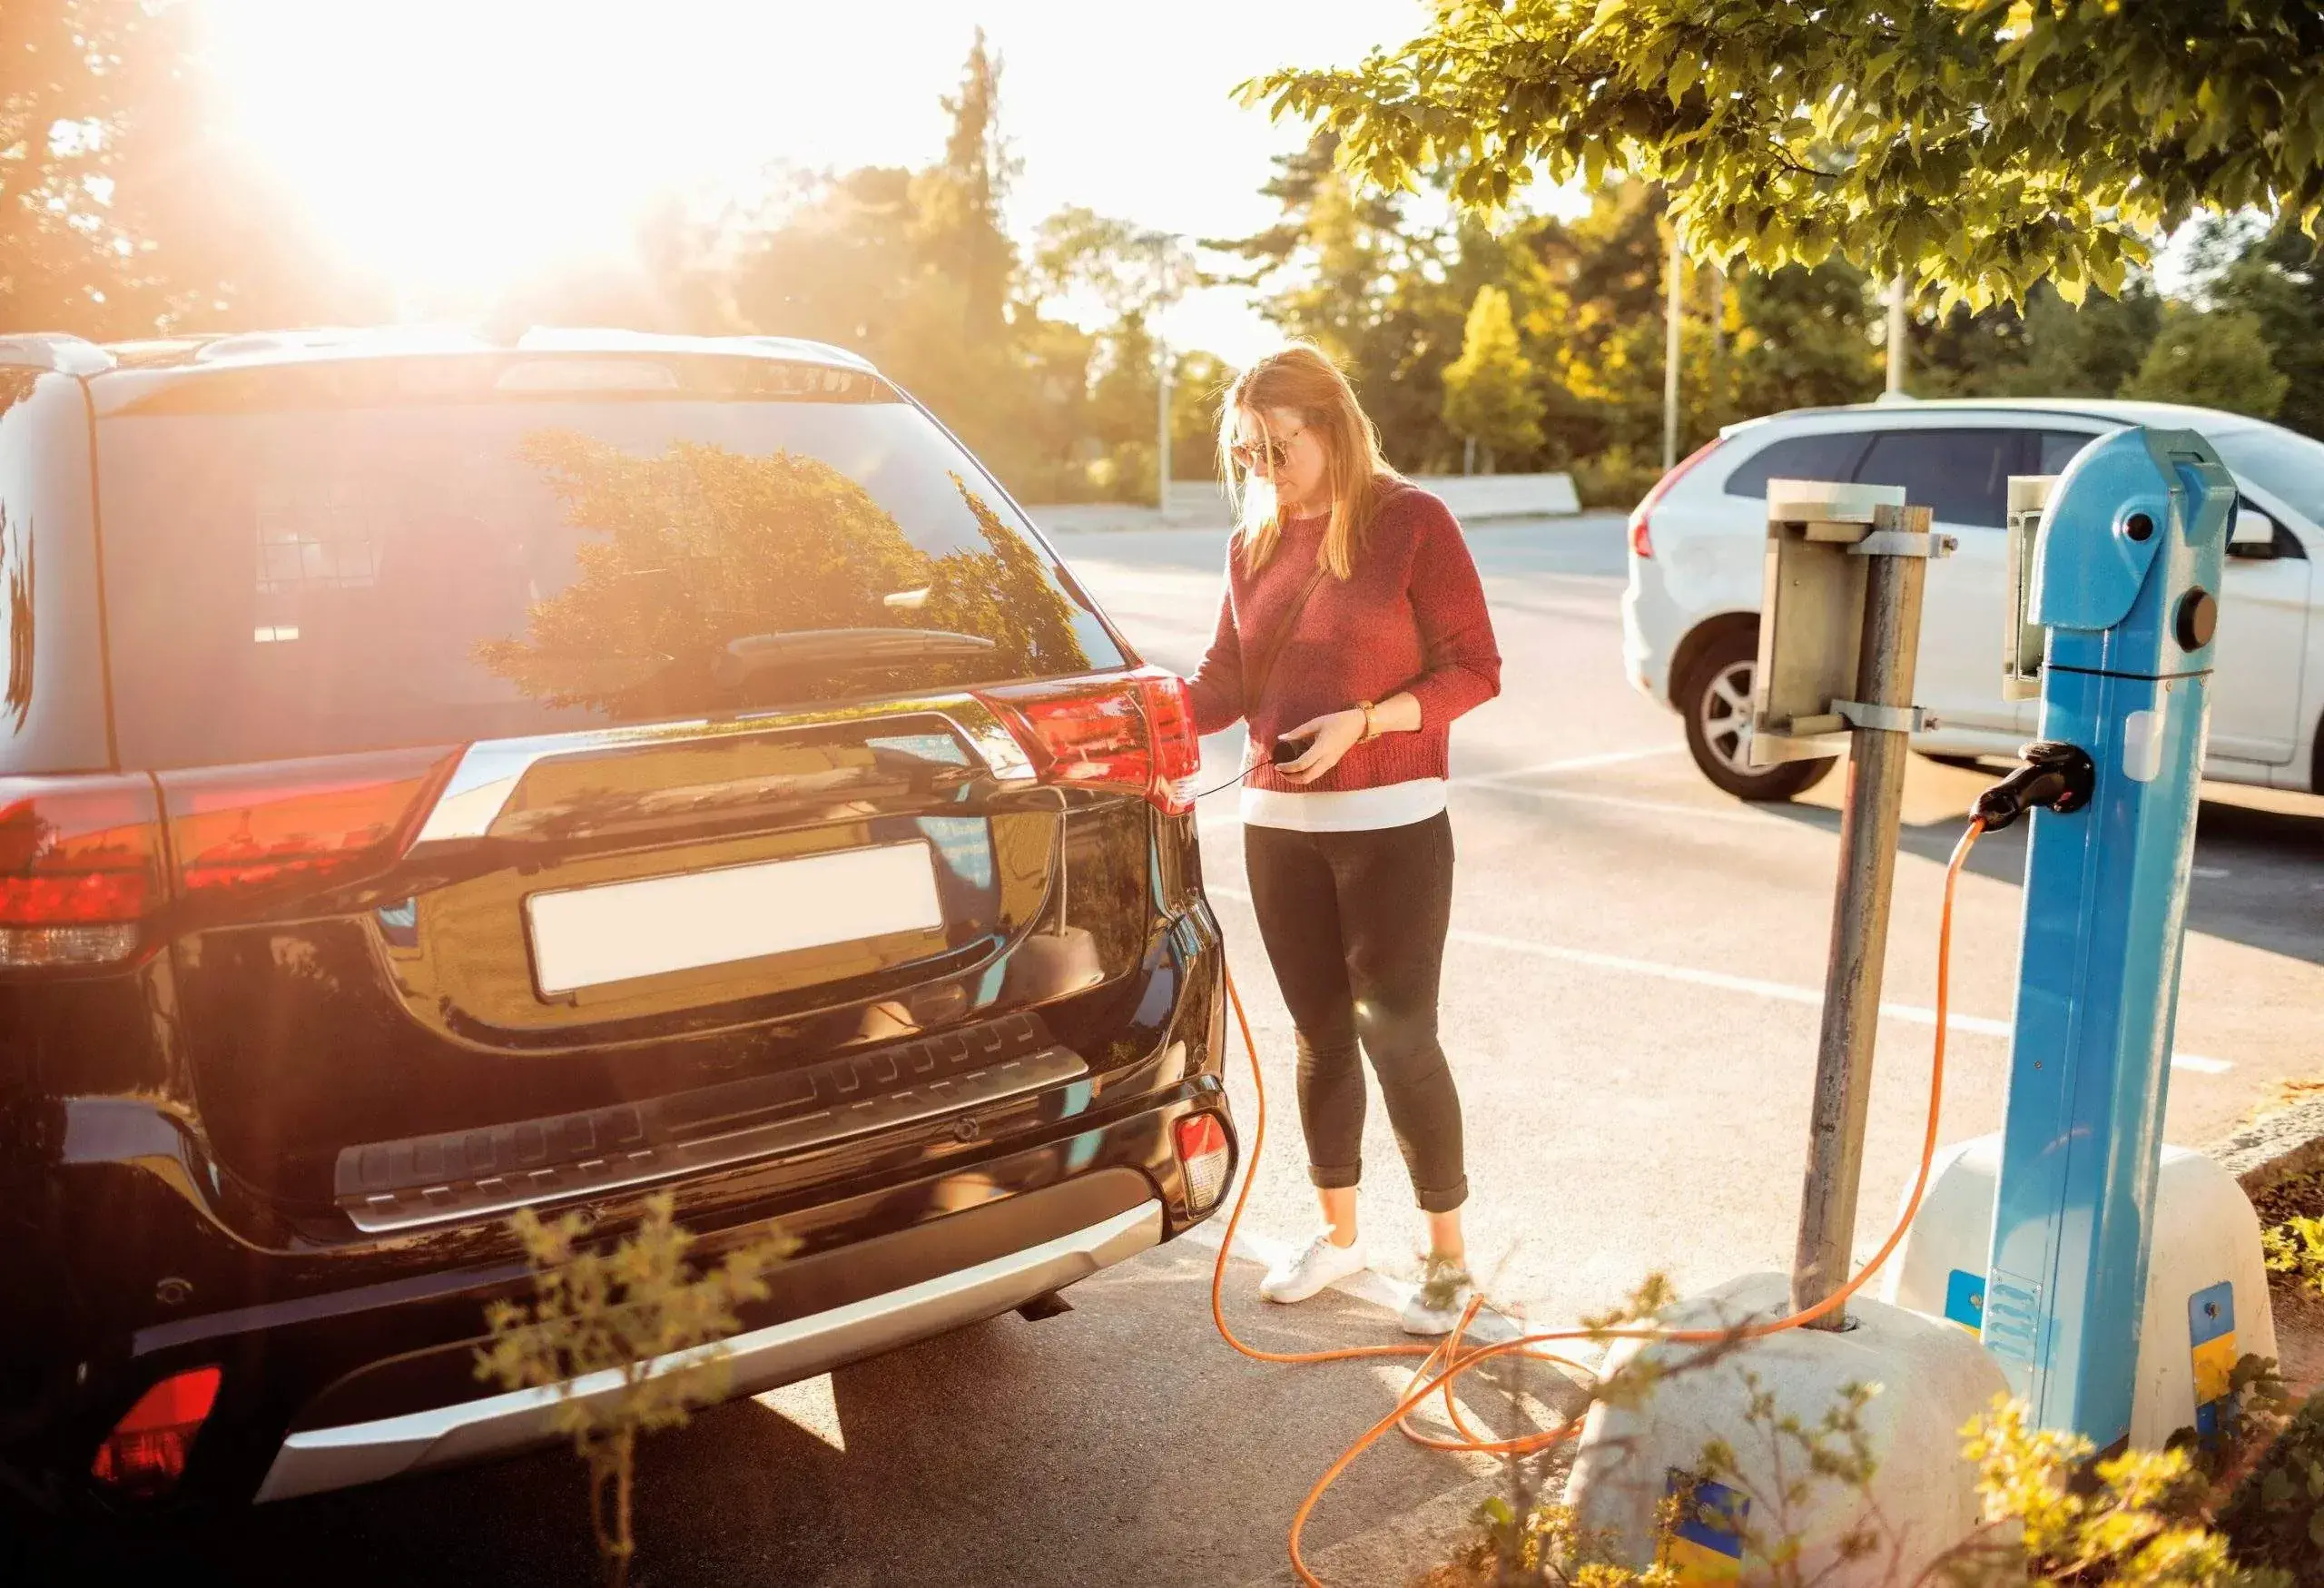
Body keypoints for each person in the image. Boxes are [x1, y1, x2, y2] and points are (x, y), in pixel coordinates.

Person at [1183, 342, 1502, 1336]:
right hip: (1276, 828)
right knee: (1319, 1036)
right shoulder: (1252, 543)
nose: (1264, 470)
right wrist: (1140, 720)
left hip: (1392, 825)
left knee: (1399, 1038)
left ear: (1332, 428)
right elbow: (1223, 683)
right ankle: (1340, 1233)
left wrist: (1364, 722)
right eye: (1248, 453)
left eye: (1280, 448)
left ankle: (1447, 1263)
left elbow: (1474, 670)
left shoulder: (1412, 524)